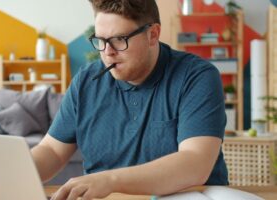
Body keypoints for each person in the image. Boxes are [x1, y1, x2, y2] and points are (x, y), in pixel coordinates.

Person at [31, 0, 228, 199]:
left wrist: (109, 180)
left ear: (153, 35)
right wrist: (13, 169)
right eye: (100, 40)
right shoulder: (85, 82)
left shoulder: (196, 76)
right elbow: (52, 151)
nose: (107, 52)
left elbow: (195, 163)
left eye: (118, 39)